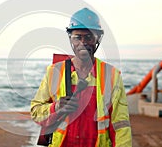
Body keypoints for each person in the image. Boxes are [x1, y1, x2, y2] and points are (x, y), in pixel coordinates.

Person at [31, 8, 132, 147]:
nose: (83, 42)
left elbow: (121, 125)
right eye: (78, 37)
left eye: (89, 37)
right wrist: (57, 107)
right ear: (70, 39)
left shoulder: (112, 75)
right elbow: (36, 113)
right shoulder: (54, 72)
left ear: (97, 39)